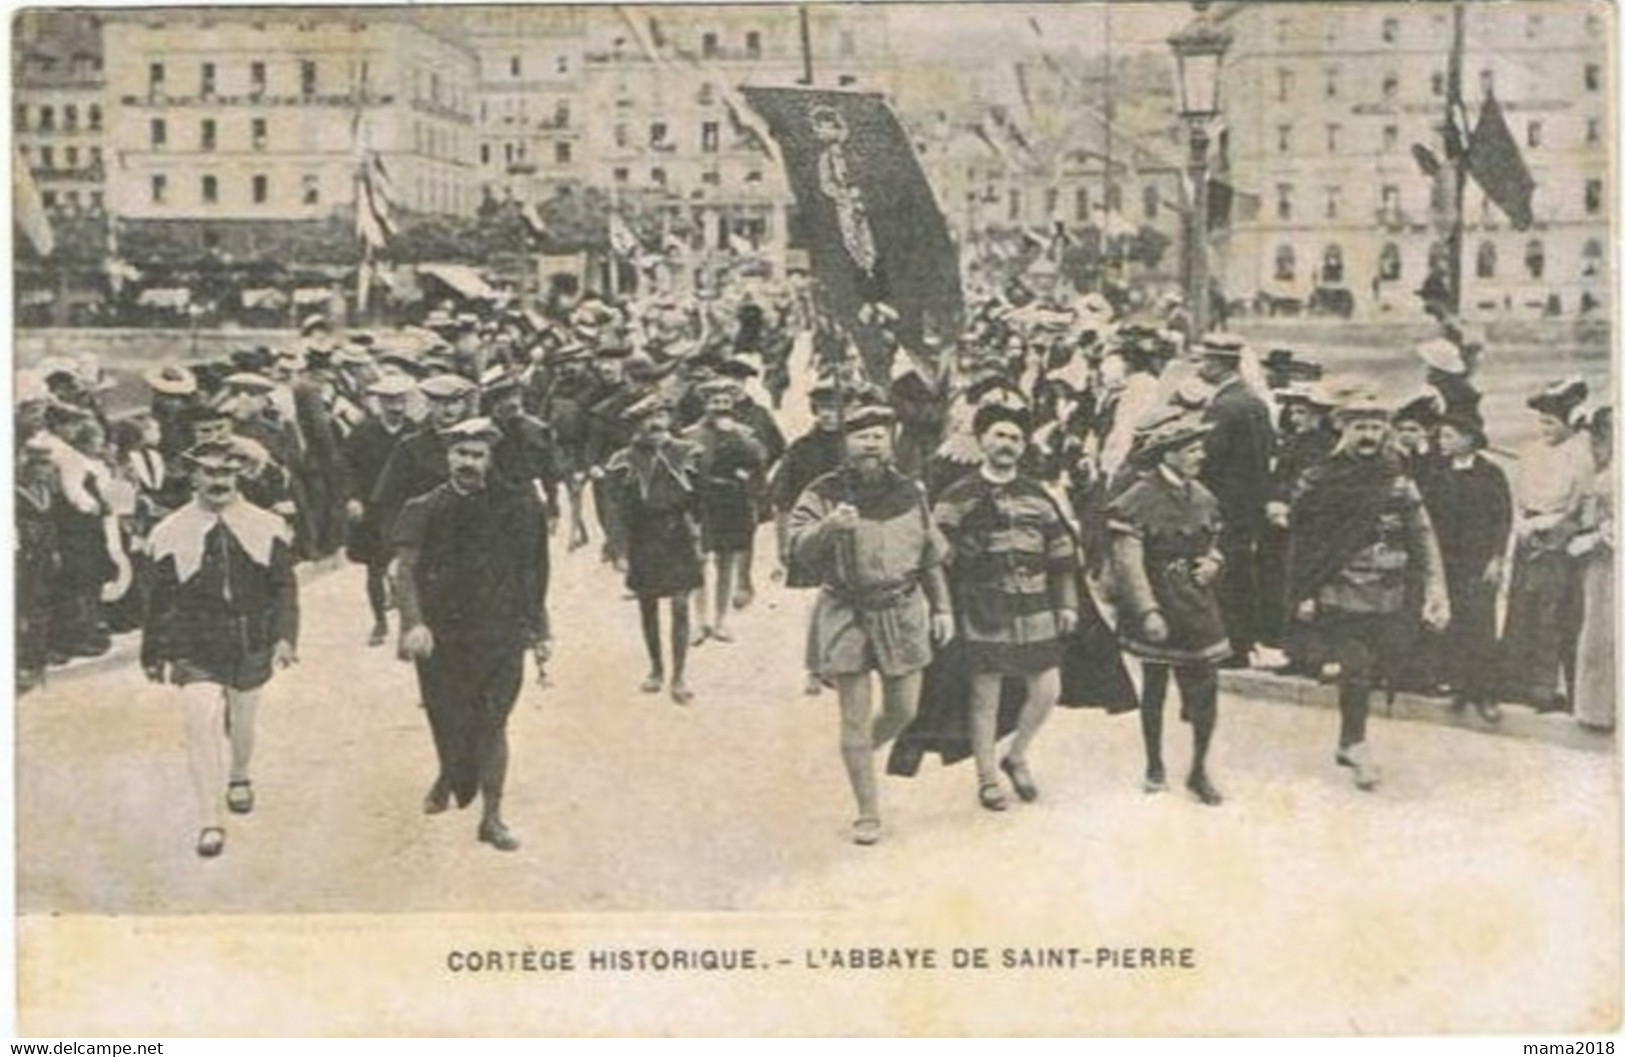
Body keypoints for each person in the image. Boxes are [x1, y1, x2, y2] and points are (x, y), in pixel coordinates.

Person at [787, 404, 954, 845]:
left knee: (903, 709)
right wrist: (829, 528)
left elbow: (930, 556)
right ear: (845, 443)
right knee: (854, 719)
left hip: (901, 609)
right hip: (847, 611)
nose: (872, 443)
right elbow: (797, 549)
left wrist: (943, 609)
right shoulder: (823, 493)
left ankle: (857, 757)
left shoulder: (912, 492)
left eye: (880, 435)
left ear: (892, 441)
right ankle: (867, 808)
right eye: (861, 435)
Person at [393, 418, 549, 852]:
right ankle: (449, 772)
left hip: (501, 632)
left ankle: (492, 817)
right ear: (447, 457)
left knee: (493, 721)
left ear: (490, 459)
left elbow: (532, 571)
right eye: (460, 454)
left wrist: (540, 628)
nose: (468, 462)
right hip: (441, 635)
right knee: (446, 716)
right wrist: (413, 622)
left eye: (477, 455)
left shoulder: (516, 508)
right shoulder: (422, 508)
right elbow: (404, 571)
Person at [142, 439, 300, 857]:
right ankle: (210, 819)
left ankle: (239, 775)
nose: (218, 481)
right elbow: (159, 596)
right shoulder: (171, 530)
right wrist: (153, 650)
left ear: (238, 476)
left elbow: (284, 585)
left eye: (227, 473)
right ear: (193, 476)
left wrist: (285, 636)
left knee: (243, 719)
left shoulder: (265, 524)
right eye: (209, 472)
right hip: (195, 642)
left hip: (250, 637)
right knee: (198, 720)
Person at [1285, 388, 1449, 790]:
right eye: (1360, 426)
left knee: (1371, 669)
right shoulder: (1319, 479)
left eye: (1376, 426)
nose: (1369, 435)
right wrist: (1303, 591)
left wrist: (1435, 589)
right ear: (1344, 429)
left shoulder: (1398, 482)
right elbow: (1303, 542)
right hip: (1337, 591)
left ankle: (1347, 740)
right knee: (1356, 668)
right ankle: (1357, 746)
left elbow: (1422, 536)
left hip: (1389, 593)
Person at [929, 402, 1079, 810]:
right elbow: (934, 559)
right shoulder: (957, 497)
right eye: (999, 435)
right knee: (985, 697)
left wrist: (1067, 603)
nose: (1007, 444)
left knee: (1048, 690)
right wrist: (942, 608)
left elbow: (1063, 552)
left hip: (1034, 607)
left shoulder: (1038, 496)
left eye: (1015, 437)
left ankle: (1015, 755)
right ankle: (987, 778)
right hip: (983, 607)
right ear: (980, 441)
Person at [1106, 409, 1228, 805]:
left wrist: (1213, 563)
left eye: (1200, 449)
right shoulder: (1136, 499)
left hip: (1196, 602)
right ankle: (1154, 764)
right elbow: (1128, 563)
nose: (1201, 456)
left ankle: (1198, 769)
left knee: (1206, 687)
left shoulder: (1203, 496)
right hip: (1159, 603)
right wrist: (1147, 610)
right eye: (1192, 450)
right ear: (1169, 454)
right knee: (1155, 686)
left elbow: (1213, 543)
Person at [601, 395, 704, 704]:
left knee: (681, 605)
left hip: (679, 534)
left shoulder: (689, 453)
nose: (656, 423)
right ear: (637, 426)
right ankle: (656, 668)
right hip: (644, 537)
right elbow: (615, 509)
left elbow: (704, 500)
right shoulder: (623, 460)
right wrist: (618, 549)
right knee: (648, 605)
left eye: (661, 415)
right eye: (648, 419)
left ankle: (679, 675)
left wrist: (703, 538)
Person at [1501, 378, 1593, 712]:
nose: (1545, 428)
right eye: (1542, 421)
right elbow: (1522, 496)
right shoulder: (1532, 451)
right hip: (1529, 532)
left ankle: (1546, 687)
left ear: (1569, 422)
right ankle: (1514, 681)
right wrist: (1525, 524)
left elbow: (1578, 504)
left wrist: (1552, 528)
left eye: (1552, 422)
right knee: (1521, 604)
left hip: (1558, 539)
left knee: (1552, 612)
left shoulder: (1581, 453)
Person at [1425, 410, 1513, 721]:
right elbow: (1429, 519)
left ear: (1468, 439)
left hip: (1478, 561)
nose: (1441, 442)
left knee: (1481, 623)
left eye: (1448, 436)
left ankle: (1486, 693)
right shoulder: (1438, 473)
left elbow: (1502, 519)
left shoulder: (1491, 474)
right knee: (1455, 622)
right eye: (1440, 436)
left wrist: (1496, 558)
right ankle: (1460, 687)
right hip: (1448, 560)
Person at [1194, 334, 1275, 668]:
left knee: (1224, 573)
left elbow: (1209, 458)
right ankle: (1242, 643)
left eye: (1204, 361)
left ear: (1216, 364)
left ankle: (1229, 645)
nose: (1201, 367)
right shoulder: (1253, 401)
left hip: (1223, 503)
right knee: (1241, 572)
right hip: (1249, 503)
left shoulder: (1224, 406)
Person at [684, 377, 767, 644]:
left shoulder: (745, 434)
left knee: (726, 562)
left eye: (726, 402)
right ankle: (700, 621)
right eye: (715, 401)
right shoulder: (691, 435)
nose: (720, 407)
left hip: (732, 503)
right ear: (705, 404)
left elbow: (758, 463)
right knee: (698, 561)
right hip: (701, 502)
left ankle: (720, 620)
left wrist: (737, 438)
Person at [343, 375, 416, 646]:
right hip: (372, 508)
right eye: (389, 401)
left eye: (400, 400)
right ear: (380, 403)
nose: (395, 407)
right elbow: (347, 467)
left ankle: (409, 622)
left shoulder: (414, 431)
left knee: (408, 565)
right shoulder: (364, 432)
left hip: (406, 508)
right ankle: (380, 622)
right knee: (375, 567)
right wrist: (352, 498)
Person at [1570, 406, 1614, 732]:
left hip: (1609, 558)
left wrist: (1596, 538)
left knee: (1608, 634)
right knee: (1597, 632)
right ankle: (1596, 710)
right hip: (1599, 564)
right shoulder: (1604, 468)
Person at [16, 433, 61, 693]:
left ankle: (39, 655)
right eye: (40, 465)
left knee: (42, 604)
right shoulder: (15, 494)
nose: (45, 470)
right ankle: (25, 659)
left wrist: (54, 550)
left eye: (47, 464)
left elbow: (51, 523)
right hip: (24, 556)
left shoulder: (45, 491)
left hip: (44, 555)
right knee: (25, 608)